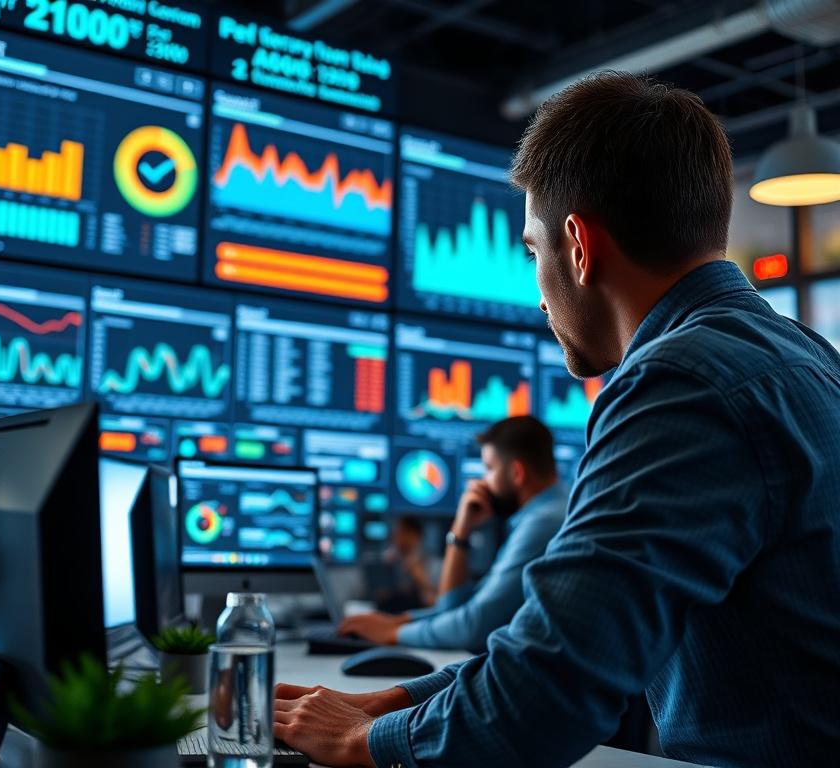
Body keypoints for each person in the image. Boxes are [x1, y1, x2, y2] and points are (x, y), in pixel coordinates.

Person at [273, 72, 840, 767]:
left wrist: (363, 739)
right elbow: (593, 644)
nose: (539, 297)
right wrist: (404, 701)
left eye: (532, 252)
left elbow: (543, 699)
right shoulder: (805, 357)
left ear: (578, 245)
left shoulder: (680, 382)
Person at [340, 417, 567, 651]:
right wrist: (461, 530)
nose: (482, 481)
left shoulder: (544, 523)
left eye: (489, 469)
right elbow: (461, 608)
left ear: (517, 473)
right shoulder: (545, 514)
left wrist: (394, 633)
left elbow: (473, 628)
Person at [369, 515, 439, 613]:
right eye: (395, 534)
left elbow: (435, 601)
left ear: (414, 535)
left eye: (400, 533)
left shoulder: (433, 564)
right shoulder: (390, 560)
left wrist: (420, 578)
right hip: (390, 615)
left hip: (418, 616)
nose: (395, 538)